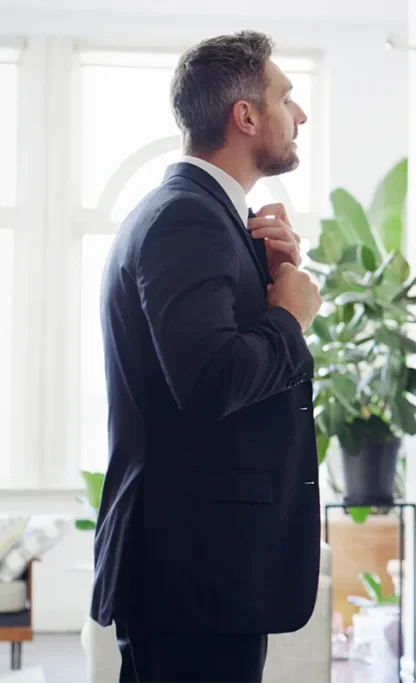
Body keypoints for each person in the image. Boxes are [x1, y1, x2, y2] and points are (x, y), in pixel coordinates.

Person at [89, 31, 323, 683]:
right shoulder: (186, 218)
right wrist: (289, 316)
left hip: (200, 571)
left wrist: (273, 277)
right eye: (286, 97)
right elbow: (211, 380)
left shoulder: (208, 217)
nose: (300, 115)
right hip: (195, 572)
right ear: (244, 116)